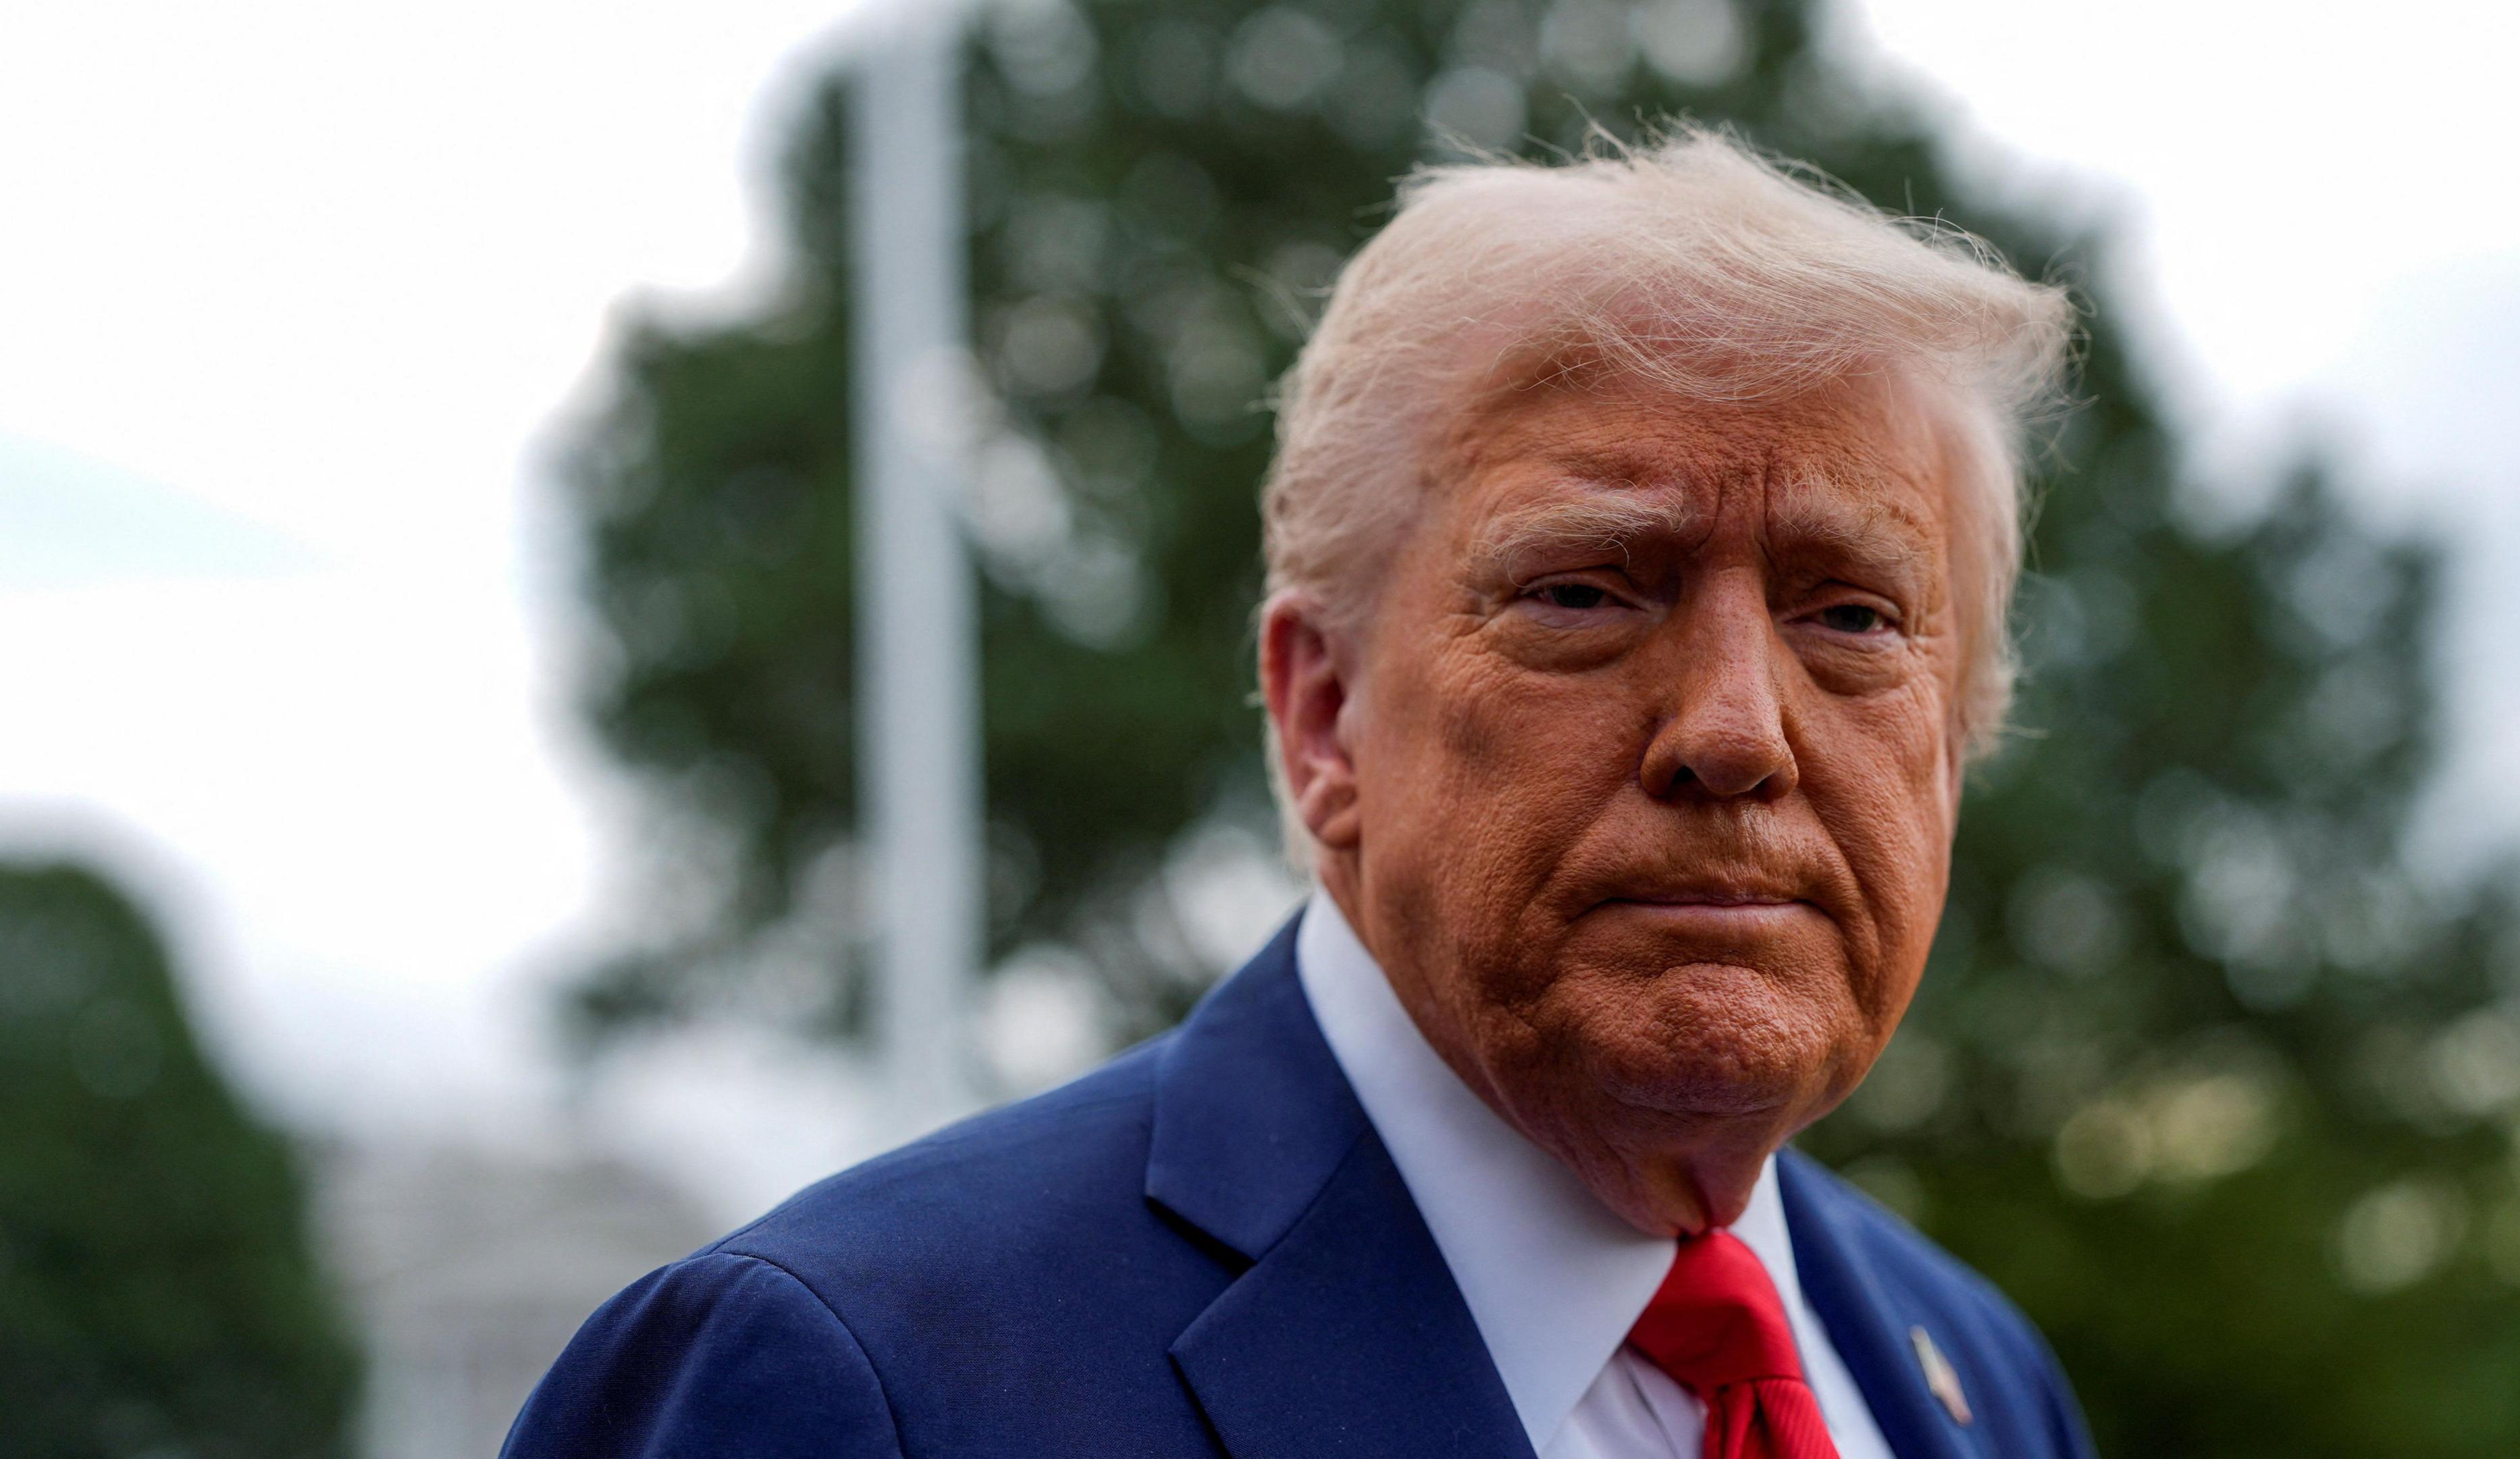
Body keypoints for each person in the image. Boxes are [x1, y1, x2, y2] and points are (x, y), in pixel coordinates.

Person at [504, 128, 2090, 1459]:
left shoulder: (1977, 1378)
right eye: (1586, 592)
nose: (1737, 732)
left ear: (1957, 737)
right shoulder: (855, 1385)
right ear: (1324, 713)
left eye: (1852, 617)